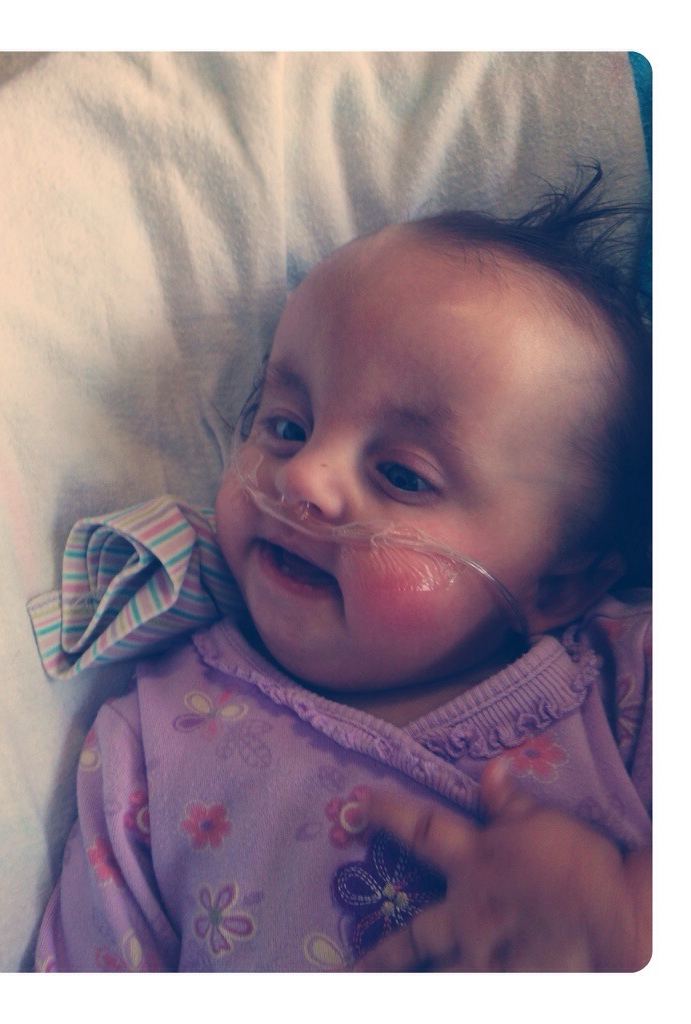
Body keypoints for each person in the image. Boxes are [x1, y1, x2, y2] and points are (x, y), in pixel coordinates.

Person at [34, 168, 651, 972]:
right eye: (286, 425)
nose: (301, 476)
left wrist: (627, 931)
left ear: (555, 585)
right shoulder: (148, 741)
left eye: (400, 475)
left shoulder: (631, 683)